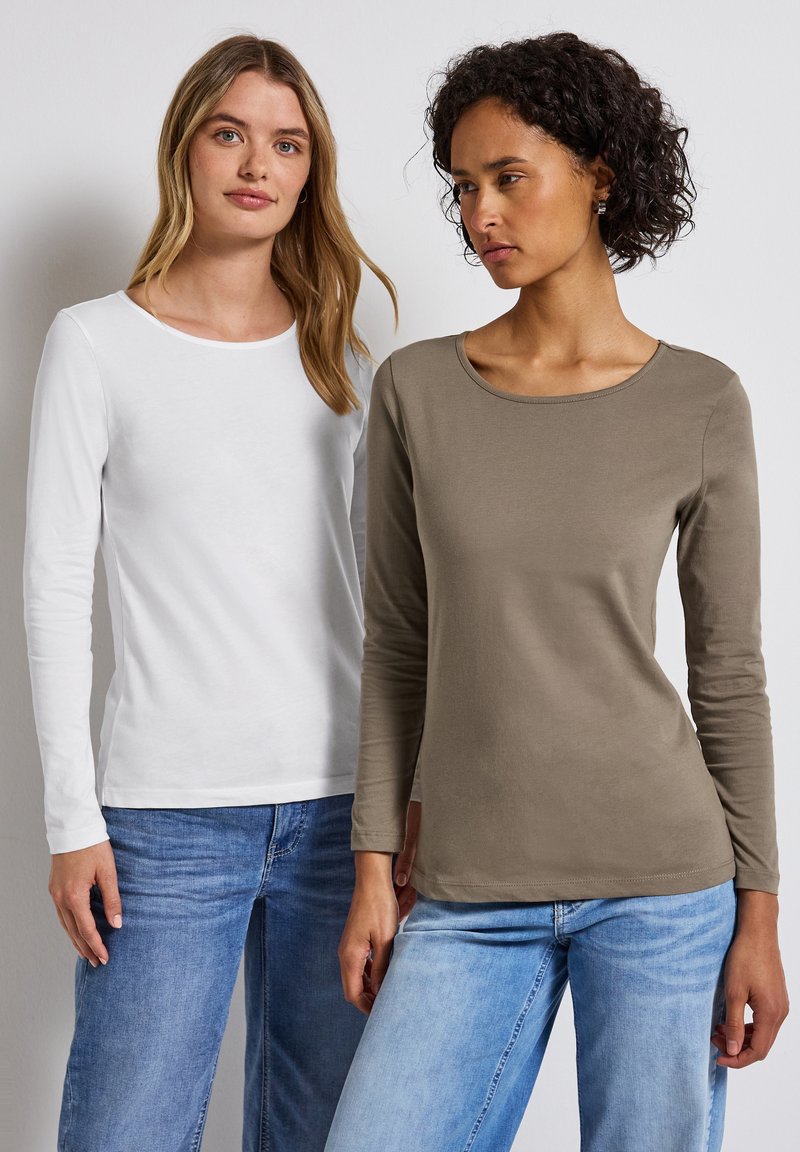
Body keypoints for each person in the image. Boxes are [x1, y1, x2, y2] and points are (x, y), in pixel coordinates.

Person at [324, 32, 789, 1152]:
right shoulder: (418, 391)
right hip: (465, 889)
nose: (480, 213)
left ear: (600, 178)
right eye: (462, 187)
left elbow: (727, 672)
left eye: (507, 178)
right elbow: (397, 644)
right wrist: (374, 870)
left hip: (663, 890)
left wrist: (760, 915)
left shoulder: (699, 402)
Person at [23, 33, 406, 1152]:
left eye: (287, 144)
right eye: (230, 133)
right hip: (163, 820)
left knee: (323, 1131)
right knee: (125, 1131)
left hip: (340, 816)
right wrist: (71, 819)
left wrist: (396, 812)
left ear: (310, 171)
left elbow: (385, 605)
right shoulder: (95, 344)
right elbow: (53, 588)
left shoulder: (342, 360)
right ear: (185, 149)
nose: (256, 164)